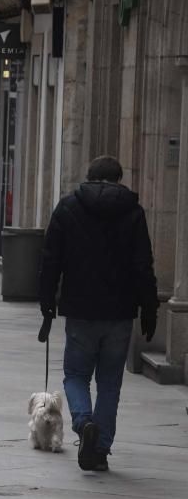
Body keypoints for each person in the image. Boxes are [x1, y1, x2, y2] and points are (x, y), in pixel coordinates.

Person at [38, 155, 159, 473]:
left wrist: (47, 301)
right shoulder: (133, 212)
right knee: (110, 384)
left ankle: (83, 421)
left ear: (89, 177)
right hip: (119, 313)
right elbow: (142, 266)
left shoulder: (68, 207)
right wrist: (149, 307)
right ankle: (100, 449)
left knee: (76, 376)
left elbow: (51, 259)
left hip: (80, 309)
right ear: (119, 179)